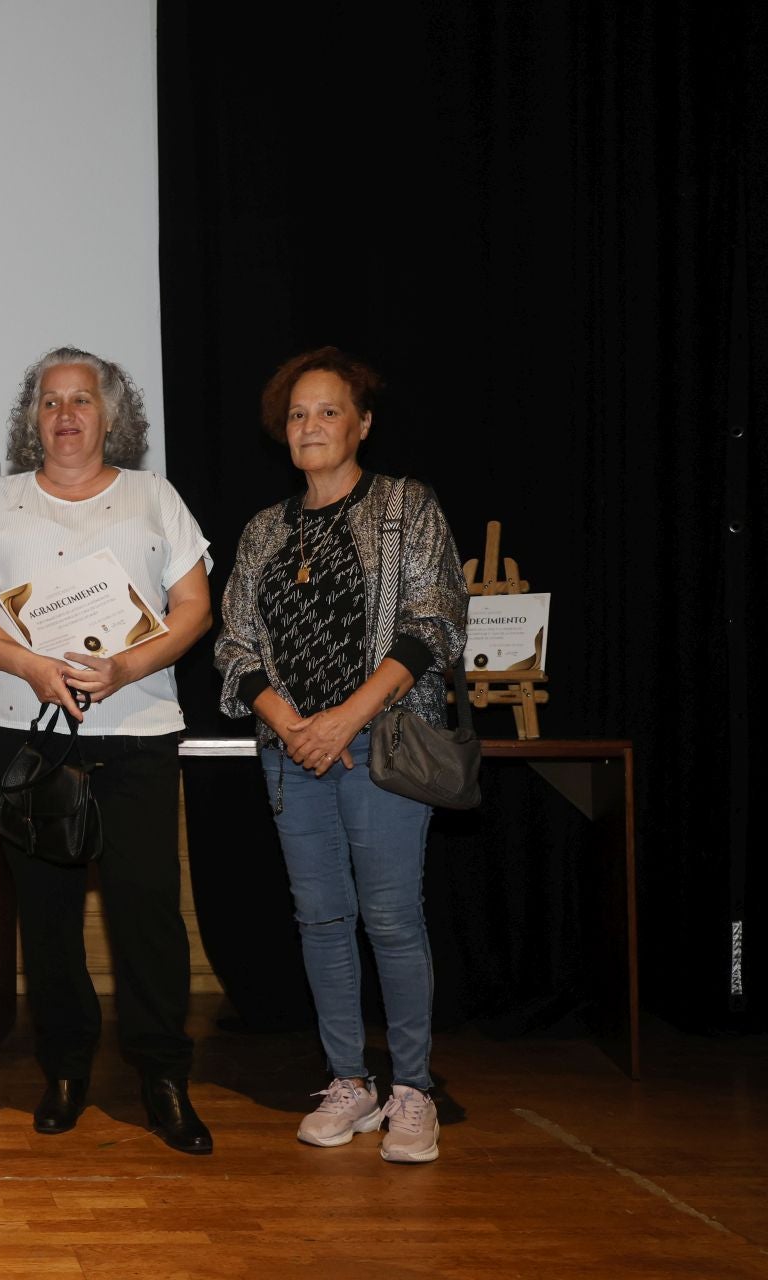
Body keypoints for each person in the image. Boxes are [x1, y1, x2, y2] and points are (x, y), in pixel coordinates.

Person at [0, 347, 215, 1154]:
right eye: (50, 401)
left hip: (136, 732)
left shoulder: (155, 498)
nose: (66, 414)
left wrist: (127, 666)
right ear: (33, 419)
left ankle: (163, 1075)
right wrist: (28, 664)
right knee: (49, 914)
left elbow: (194, 606)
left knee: (146, 912)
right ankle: (64, 1069)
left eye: (82, 399)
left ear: (110, 416)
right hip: (30, 732)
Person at [213, 346, 467, 1164]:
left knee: (391, 918)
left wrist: (344, 720)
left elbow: (434, 622)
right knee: (320, 921)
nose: (310, 425)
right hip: (292, 754)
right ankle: (349, 1082)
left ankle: (414, 1091)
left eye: (328, 411)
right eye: (297, 414)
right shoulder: (264, 531)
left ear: (362, 424)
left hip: (382, 746)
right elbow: (234, 647)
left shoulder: (405, 506)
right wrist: (294, 727)